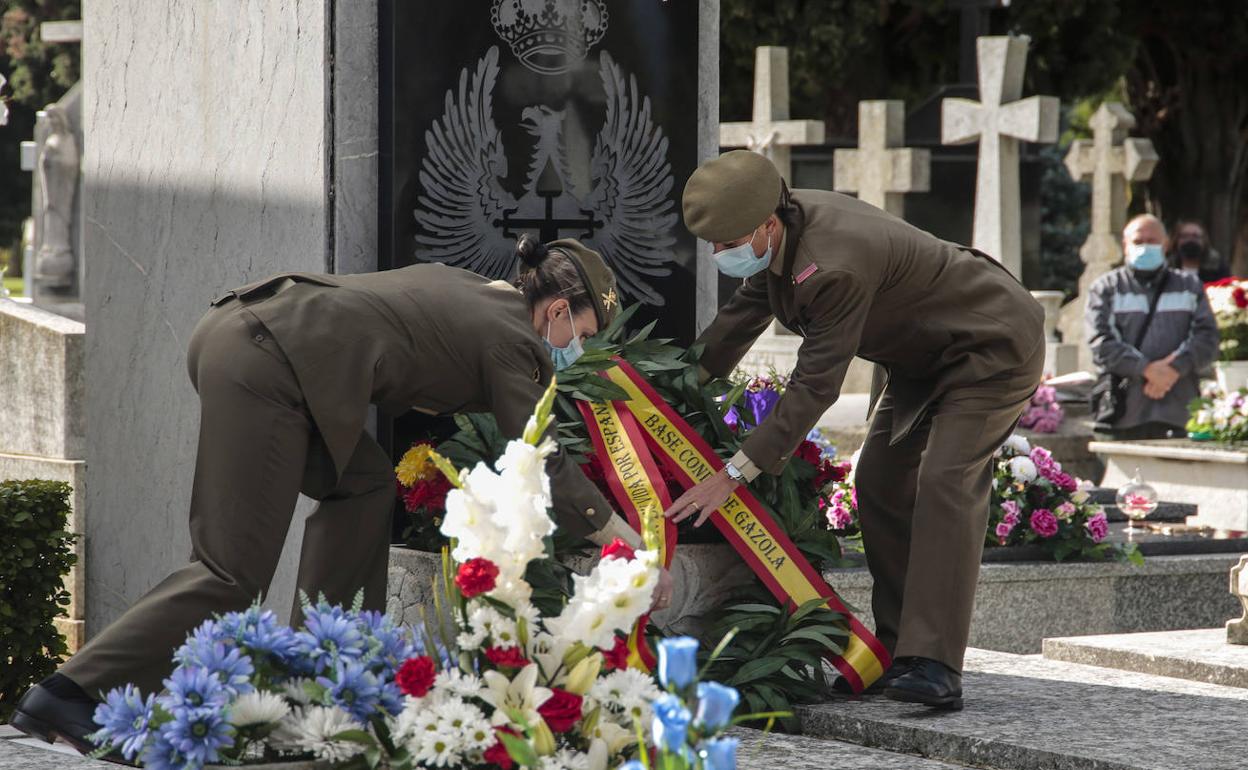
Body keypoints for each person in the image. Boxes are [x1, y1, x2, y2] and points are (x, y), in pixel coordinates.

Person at [12, 236, 664, 751]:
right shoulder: (515, 338)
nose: (579, 348)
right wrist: (619, 537)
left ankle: (320, 680)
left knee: (366, 488)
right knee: (230, 570)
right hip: (269, 359)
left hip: (255, 340)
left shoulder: (479, 293)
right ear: (556, 311)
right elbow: (535, 452)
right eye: (582, 333)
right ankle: (72, 691)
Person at [666, 150, 1045, 710]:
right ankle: (896, 652)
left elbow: (815, 385)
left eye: (728, 244)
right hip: (922, 358)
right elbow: (734, 325)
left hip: (989, 347)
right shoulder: (781, 236)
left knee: (944, 479)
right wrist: (665, 396)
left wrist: (733, 473)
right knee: (879, 483)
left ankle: (935, 662)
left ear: (767, 224)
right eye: (714, 246)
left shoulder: (831, 263)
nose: (721, 256)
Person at [1087, 214, 1220, 440]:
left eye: (1152, 241)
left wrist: (1174, 368)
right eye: (1138, 242)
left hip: (1180, 415)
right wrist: (1146, 369)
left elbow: (1207, 338)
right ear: (1125, 245)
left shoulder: (1189, 286)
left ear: (1166, 244)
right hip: (1123, 415)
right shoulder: (1106, 288)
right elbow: (1101, 343)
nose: (1145, 247)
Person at [1168, 219, 1230, 285]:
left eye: (1195, 236)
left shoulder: (1218, 268)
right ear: (1177, 240)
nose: (1190, 240)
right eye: (1185, 236)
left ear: (1204, 240)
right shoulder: (1168, 267)